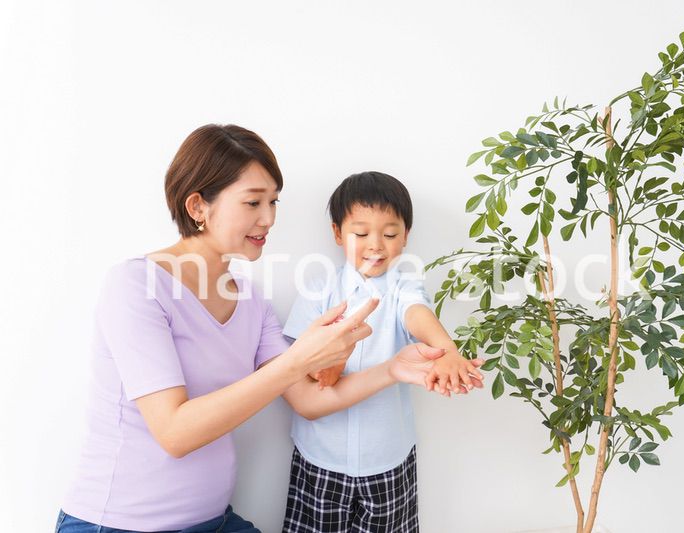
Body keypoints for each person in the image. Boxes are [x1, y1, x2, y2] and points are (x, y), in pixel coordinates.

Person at [55, 125, 479, 533]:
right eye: (254, 203)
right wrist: (298, 361)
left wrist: (393, 370)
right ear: (198, 206)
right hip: (115, 525)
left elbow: (310, 401)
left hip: (215, 521)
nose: (269, 218)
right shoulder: (136, 285)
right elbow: (175, 432)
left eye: (273, 202)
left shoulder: (253, 303)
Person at [281, 171, 485, 533]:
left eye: (389, 234)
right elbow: (300, 367)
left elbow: (417, 313)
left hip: (387, 461)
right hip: (321, 460)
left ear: (405, 237)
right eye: (361, 234)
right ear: (337, 234)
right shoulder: (318, 291)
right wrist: (332, 360)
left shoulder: (403, 287)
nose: (375, 244)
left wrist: (447, 349)